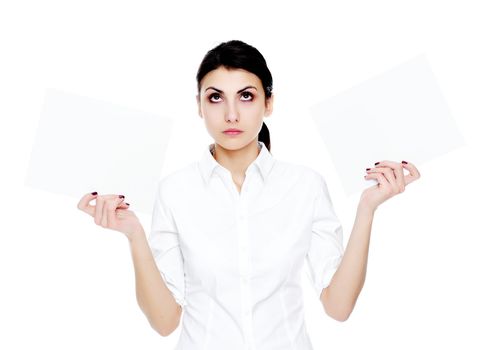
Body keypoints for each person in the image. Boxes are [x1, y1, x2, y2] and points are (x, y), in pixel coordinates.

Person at [77, 39, 421, 349]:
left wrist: (366, 210)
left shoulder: (305, 186)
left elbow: (338, 307)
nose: (231, 114)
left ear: (268, 103)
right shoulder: (175, 191)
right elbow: (165, 322)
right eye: (215, 97)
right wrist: (135, 236)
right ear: (199, 105)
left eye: (246, 96)